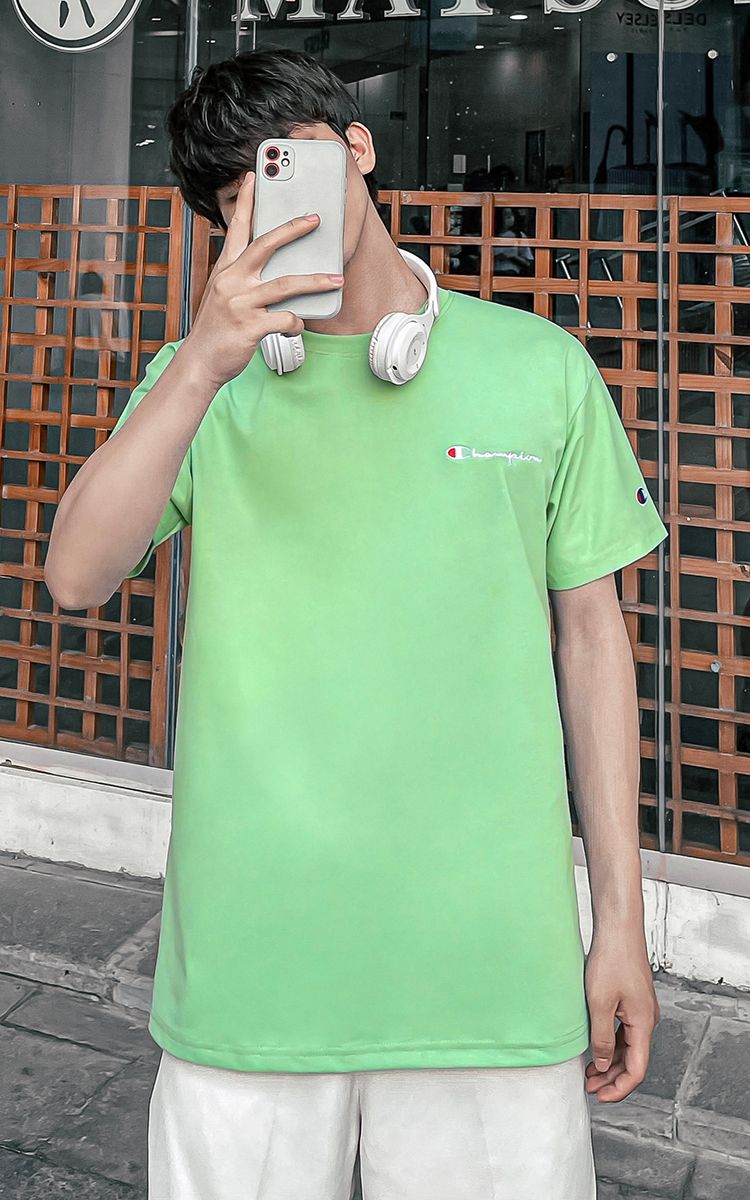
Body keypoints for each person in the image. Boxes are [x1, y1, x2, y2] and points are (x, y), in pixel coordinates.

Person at [44, 48, 669, 1200]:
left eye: (293, 167)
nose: (280, 210)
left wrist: (620, 925)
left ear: (360, 147)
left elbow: (593, 644)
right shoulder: (200, 383)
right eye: (242, 199)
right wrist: (202, 363)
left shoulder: (540, 368)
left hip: (490, 963)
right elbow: (76, 578)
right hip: (253, 966)